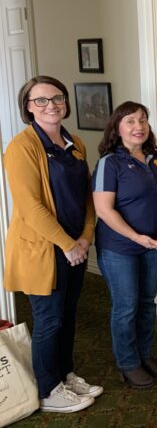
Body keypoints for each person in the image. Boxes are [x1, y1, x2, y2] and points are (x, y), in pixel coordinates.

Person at [3, 76, 102, 413]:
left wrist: (86, 236)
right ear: (28, 108)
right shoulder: (22, 147)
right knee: (49, 320)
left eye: (57, 98)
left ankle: (65, 374)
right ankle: (48, 391)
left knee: (69, 313)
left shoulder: (75, 142)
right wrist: (67, 244)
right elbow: (31, 207)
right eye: (41, 100)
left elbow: (87, 196)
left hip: (76, 245)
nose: (51, 105)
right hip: (44, 248)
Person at [92, 102, 157, 389]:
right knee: (126, 306)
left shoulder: (156, 156)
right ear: (117, 127)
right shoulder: (109, 163)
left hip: (153, 243)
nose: (138, 126)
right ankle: (127, 362)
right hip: (119, 248)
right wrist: (135, 236)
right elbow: (104, 210)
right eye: (130, 121)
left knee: (146, 303)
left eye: (143, 120)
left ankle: (144, 354)